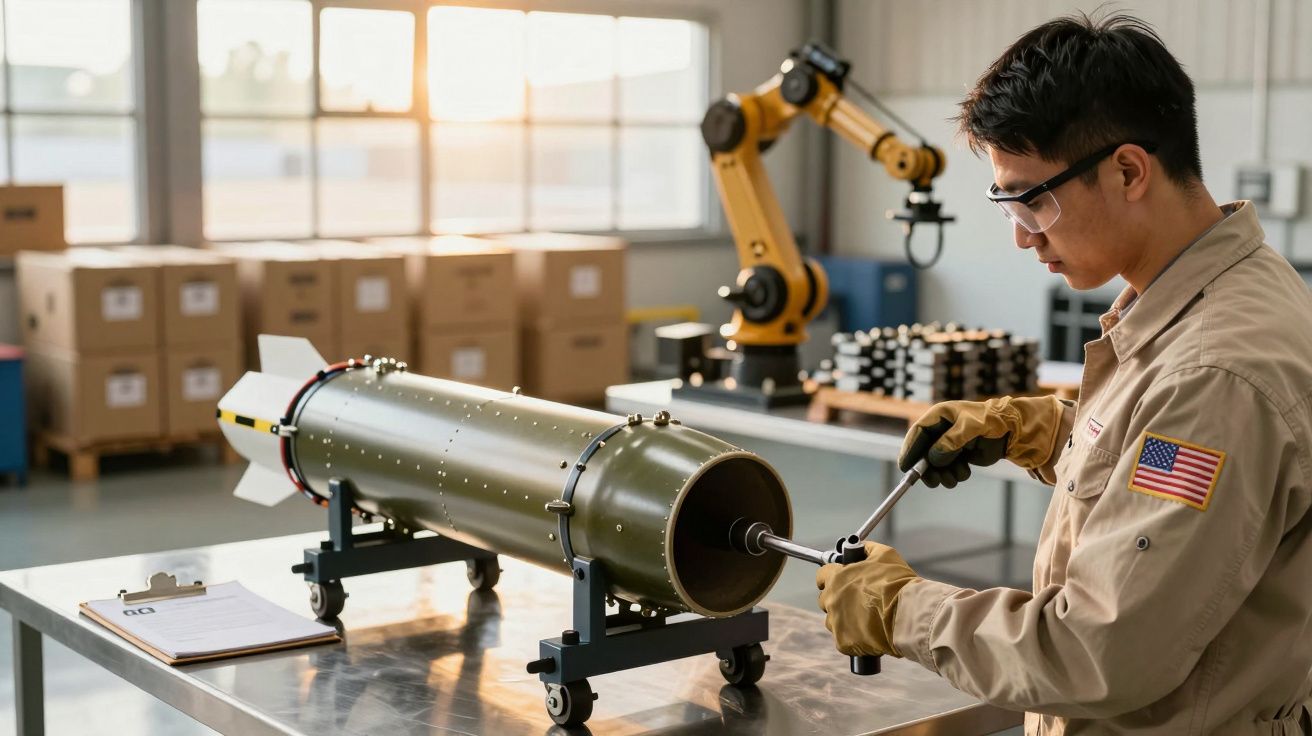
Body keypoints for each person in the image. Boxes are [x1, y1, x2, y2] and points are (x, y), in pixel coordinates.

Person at [816, 12, 1312, 734]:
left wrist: (903, 608)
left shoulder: (1216, 374)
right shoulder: (1216, 292)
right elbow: (1174, 455)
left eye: (1033, 198)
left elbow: (1099, 650)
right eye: (1007, 203)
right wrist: (1043, 429)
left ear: (1129, 170)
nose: (1022, 235)